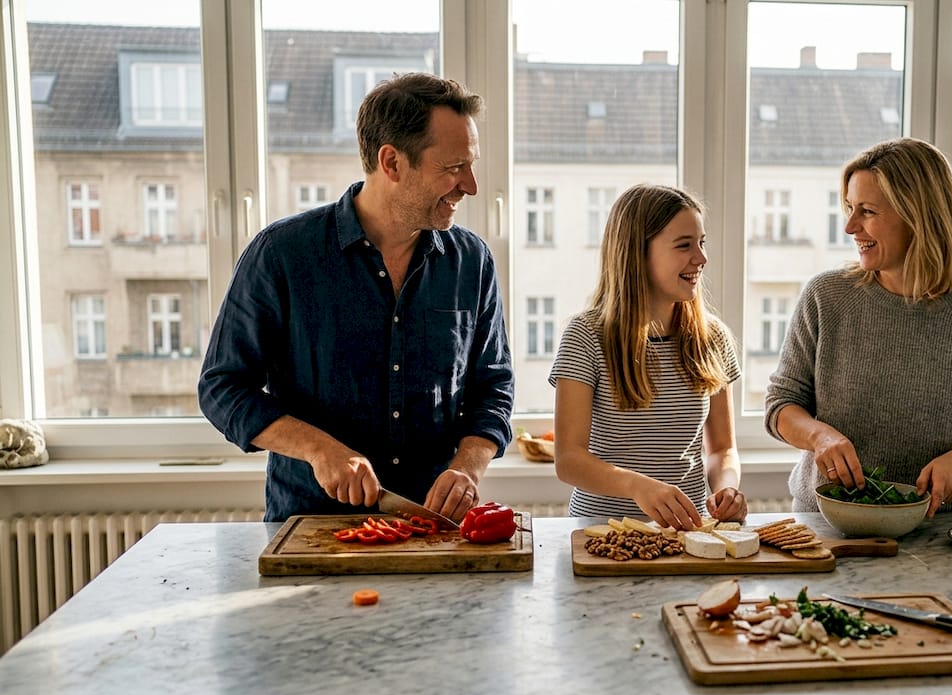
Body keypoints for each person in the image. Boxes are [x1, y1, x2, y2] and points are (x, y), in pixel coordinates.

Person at [198, 73, 514, 522]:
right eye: (453, 167)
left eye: (471, 164)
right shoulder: (283, 254)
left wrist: (468, 467)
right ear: (392, 163)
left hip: (433, 534)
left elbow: (494, 386)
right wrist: (318, 448)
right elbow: (222, 387)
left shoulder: (472, 261)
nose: (471, 185)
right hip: (312, 530)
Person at [765, 137, 952, 518]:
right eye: (851, 208)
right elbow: (780, 406)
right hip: (829, 522)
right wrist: (819, 436)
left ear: (919, 215)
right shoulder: (826, 296)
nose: (851, 226)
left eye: (867, 211)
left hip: (941, 527)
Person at [550, 184, 746, 530]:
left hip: (689, 532)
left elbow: (721, 450)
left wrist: (727, 487)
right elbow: (569, 460)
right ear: (636, 253)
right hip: (602, 531)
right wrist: (637, 486)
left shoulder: (713, 337)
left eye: (701, 243)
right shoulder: (585, 336)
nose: (701, 258)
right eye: (684, 245)